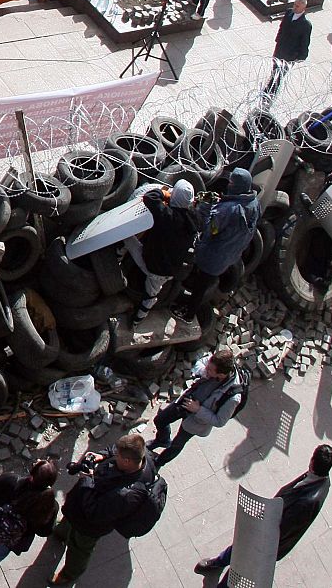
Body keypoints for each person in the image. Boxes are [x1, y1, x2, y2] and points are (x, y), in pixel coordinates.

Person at [195, 445, 332, 586]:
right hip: (267, 523)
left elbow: (284, 529)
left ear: (312, 461)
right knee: (239, 546)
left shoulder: (308, 501)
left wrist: (259, 536)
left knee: (243, 562)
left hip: (268, 539)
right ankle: (219, 562)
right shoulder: (318, 478)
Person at [47, 433, 162, 586]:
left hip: (89, 525)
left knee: (79, 550)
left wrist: (86, 479)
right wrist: (101, 455)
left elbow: (94, 512)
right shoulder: (142, 456)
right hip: (77, 509)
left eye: (117, 456)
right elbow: (114, 449)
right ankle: (62, 533)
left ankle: (69, 574)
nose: (114, 454)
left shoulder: (125, 495)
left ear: (127, 461)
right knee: (68, 523)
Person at [176, 167, 258, 320]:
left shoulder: (228, 210)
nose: (229, 185)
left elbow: (210, 230)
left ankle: (188, 315)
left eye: (232, 183)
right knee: (205, 281)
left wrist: (207, 207)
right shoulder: (253, 202)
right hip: (232, 253)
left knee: (200, 288)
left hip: (213, 256)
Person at [147, 347, 246, 466]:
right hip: (187, 401)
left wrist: (198, 410)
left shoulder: (233, 398)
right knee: (160, 420)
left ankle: (159, 463)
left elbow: (219, 421)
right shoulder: (216, 363)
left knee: (177, 444)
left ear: (221, 374)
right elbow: (199, 362)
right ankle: (162, 440)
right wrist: (205, 371)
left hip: (197, 420)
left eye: (210, 370)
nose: (207, 369)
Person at [125, 180, 199, 322]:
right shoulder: (195, 219)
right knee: (154, 288)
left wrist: (165, 193)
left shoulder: (166, 216)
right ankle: (140, 316)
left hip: (154, 268)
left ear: (174, 196)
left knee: (127, 237)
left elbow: (149, 197)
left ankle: (138, 319)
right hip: (174, 269)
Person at [261, 0, 311, 102]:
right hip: (280, 49)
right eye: (294, 5)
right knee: (274, 70)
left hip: (290, 55)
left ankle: (271, 94)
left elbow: (305, 42)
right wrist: (278, 39)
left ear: (303, 8)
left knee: (280, 75)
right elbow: (282, 27)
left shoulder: (306, 25)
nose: (294, 7)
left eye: (297, 6)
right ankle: (267, 89)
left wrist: (301, 56)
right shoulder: (289, 13)